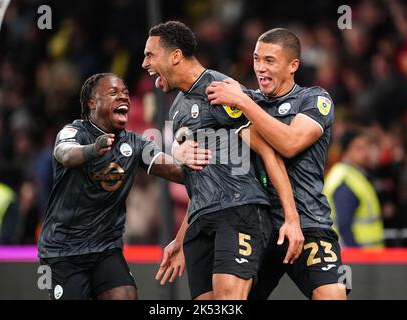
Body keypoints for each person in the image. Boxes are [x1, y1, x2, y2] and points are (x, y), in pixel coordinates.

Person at [142, 21, 303, 300]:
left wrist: (292, 216)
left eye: (150, 55)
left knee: (229, 300)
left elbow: (267, 151)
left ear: (176, 56)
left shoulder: (221, 91)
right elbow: (202, 179)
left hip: (238, 210)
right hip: (200, 221)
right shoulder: (178, 107)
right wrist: (180, 240)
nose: (144, 63)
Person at [201, 28, 348, 299]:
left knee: (333, 295)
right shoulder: (245, 102)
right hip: (257, 225)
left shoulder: (314, 99)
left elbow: (290, 143)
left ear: (293, 65)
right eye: (257, 59)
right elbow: (202, 131)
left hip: (308, 222)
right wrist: (181, 147)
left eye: (269, 60)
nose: (260, 68)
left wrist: (245, 102)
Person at [38, 73, 184, 300]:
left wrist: (206, 168)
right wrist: (93, 150)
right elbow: (65, 154)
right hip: (62, 251)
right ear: (92, 103)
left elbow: (173, 170)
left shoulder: (135, 143)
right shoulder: (74, 132)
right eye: (113, 93)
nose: (123, 98)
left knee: (125, 295)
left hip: (105, 248)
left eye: (126, 94)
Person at [323, 129, 384, 248]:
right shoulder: (345, 179)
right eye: (359, 148)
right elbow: (344, 225)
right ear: (346, 150)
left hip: (365, 257)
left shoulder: (353, 175)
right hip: (357, 257)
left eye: (367, 147)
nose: (365, 153)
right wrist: (355, 255)